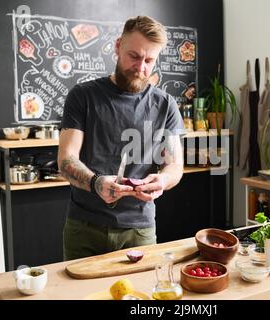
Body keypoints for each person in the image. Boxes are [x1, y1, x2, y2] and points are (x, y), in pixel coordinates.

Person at [58, 16, 185, 261]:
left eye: (149, 61)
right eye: (134, 56)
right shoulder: (83, 96)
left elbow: (175, 165)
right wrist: (96, 183)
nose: (141, 68)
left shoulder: (165, 105)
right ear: (118, 46)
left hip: (139, 230)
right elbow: (66, 159)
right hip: (83, 228)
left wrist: (163, 180)